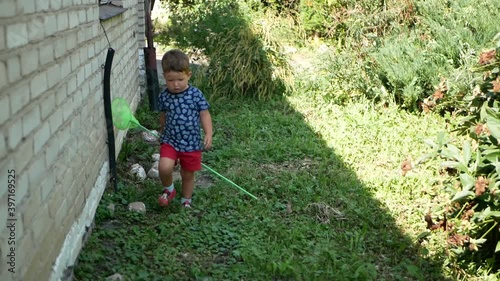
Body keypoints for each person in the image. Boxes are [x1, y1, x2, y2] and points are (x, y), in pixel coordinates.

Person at [157, 49, 213, 208]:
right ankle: (169, 189)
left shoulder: (195, 94)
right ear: (164, 77)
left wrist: (208, 133)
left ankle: (186, 200)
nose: (175, 85)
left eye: (180, 79)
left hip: (191, 143)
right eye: (170, 80)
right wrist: (162, 132)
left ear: (189, 75)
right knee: (164, 167)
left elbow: (204, 114)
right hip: (170, 140)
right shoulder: (164, 96)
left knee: (187, 174)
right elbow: (163, 116)